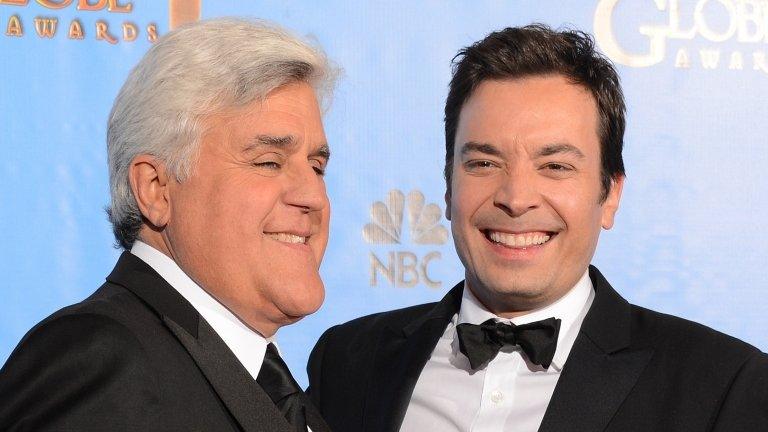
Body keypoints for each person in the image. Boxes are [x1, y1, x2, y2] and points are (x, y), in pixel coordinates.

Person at [307, 24, 768, 432]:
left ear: (610, 195)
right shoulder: (348, 360)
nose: (516, 197)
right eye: (484, 162)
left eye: (555, 166)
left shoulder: (724, 385)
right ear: (448, 187)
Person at [0, 18, 335, 432]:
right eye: (269, 162)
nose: (314, 196)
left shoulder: (275, 383)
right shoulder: (101, 359)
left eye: (317, 167)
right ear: (156, 189)